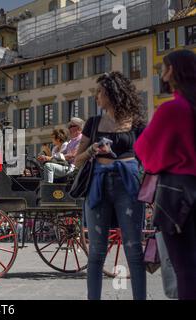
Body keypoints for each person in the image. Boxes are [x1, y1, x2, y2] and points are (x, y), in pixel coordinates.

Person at [74, 71, 147, 300]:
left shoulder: (136, 123)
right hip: (98, 184)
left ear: (112, 94)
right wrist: (92, 149)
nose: (96, 97)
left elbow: (147, 156)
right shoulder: (94, 123)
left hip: (128, 185)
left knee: (134, 250)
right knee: (96, 252)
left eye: (99, 92)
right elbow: (77, 159)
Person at [134, 49, 196, 300]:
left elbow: (145, 151)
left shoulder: (172, 110)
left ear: (172, 72)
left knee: (186, 270)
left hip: (178, 194)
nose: (161, 72)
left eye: (164, 67)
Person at [39, 118, 84, 183]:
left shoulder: (82, 139)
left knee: (48, 166)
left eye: (71, 126)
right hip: (68, 167)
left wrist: (50, 158)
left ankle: (48, 189)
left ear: (79, 128)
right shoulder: (71, 141)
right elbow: (63, 155)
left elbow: (72, 155)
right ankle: (48, 188)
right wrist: (46, 158)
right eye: (68, 126)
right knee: (45, 169)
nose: (69, 129)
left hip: (75, 169)